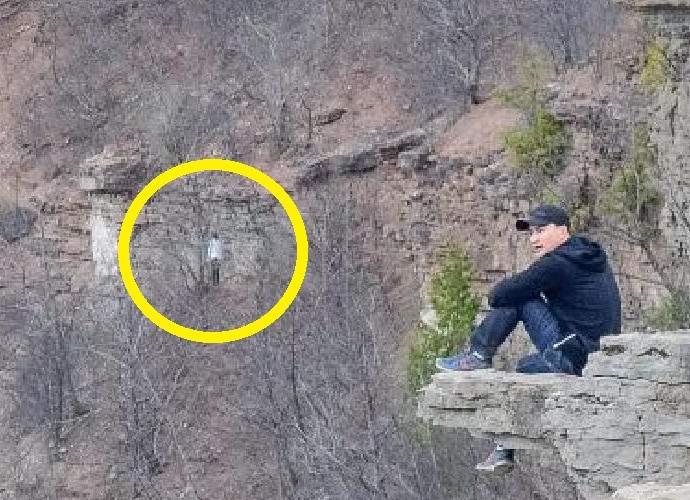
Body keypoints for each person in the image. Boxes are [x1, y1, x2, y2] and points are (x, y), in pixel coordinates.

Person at [435, 204, 621, 472]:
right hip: (595, 356)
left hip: (574, 356)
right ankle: (504, 449)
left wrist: (518, 287)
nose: (534, 239)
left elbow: (498, 296)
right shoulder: (589, 255)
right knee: (525, 364)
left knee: (518, 301)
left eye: (541, 231)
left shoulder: (556, 264)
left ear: (563, 230)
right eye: (531, 233)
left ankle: (477, 355)